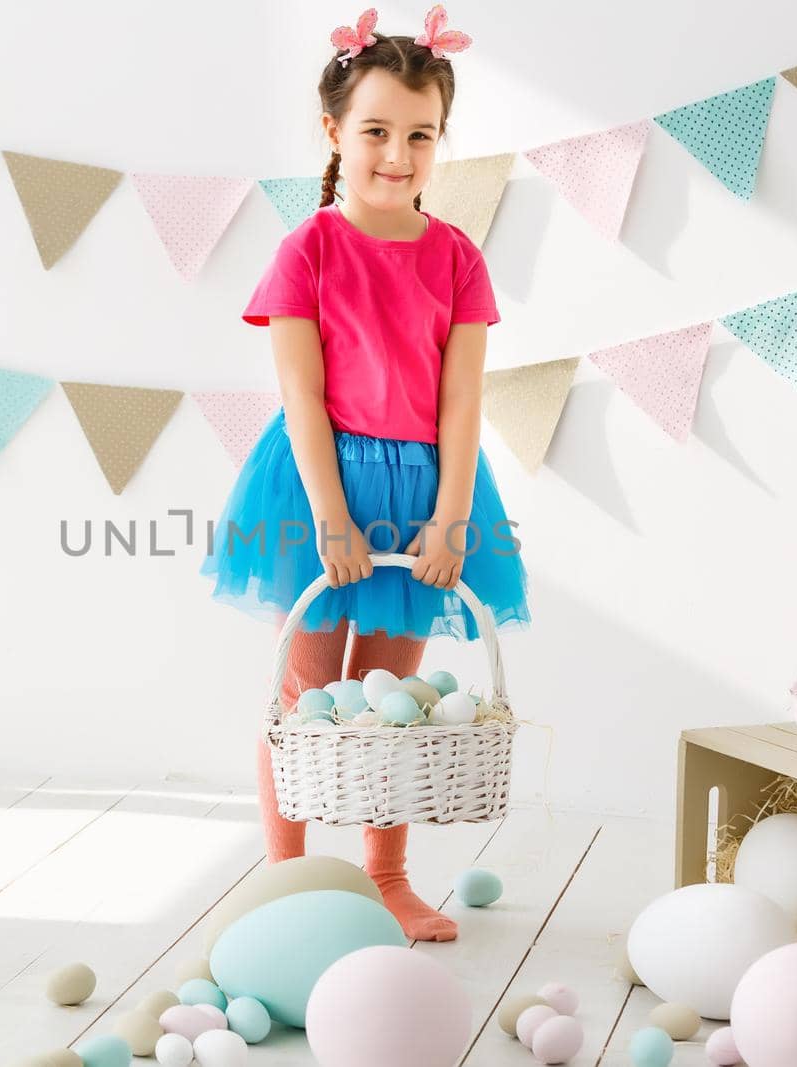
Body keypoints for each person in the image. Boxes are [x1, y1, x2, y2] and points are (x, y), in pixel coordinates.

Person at [198, 5, 530, 942]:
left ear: (440, 142)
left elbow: (462, 401)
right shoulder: (307, 249)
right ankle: (289, 878)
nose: (398, 153)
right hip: (317, 484)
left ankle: (386, 874)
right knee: (304, 696)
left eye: (420, 135)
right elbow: (303, 396)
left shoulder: (458, 258)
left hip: (425, 490)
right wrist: (331, 517)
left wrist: (452, 514)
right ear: (335, 133)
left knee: (395, 702)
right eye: (377, 130)